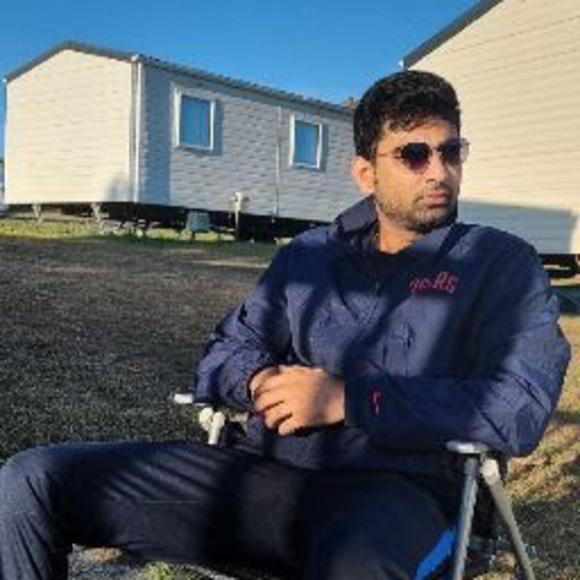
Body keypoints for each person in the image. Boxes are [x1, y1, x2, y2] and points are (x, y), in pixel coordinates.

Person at [0, 71, 570, 580]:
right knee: (33, 480)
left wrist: (349, 399)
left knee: (355, 564)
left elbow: (517, 406)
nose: (440, 172)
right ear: (365, 172)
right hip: (261, 476)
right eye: (415, 154)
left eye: (451, 151)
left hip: (400, 496)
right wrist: (256, 382)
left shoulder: (500, 265)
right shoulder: (309, 256)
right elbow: (225, 351)